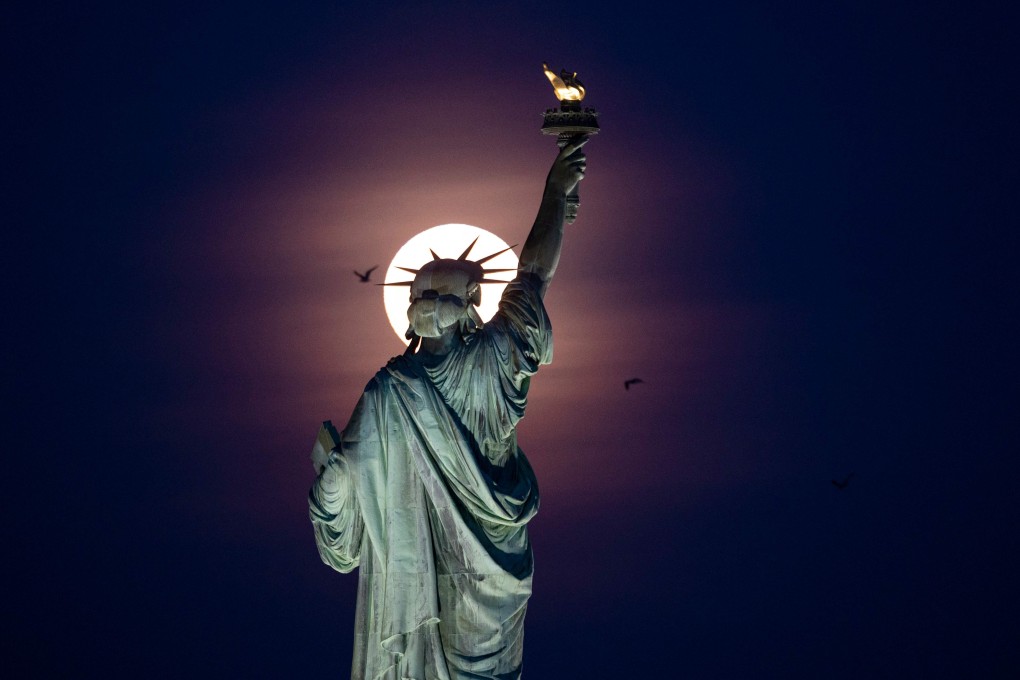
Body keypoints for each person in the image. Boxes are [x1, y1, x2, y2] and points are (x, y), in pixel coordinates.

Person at [309, 137, 588, 680]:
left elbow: (533, 276)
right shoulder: (403, 388)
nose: (430, 307)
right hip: (463, 572)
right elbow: (346, 503)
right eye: (426, 297)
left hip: (476, 574)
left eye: (438, 298)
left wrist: (555, 197)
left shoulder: (444, 375)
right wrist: (333, 478)